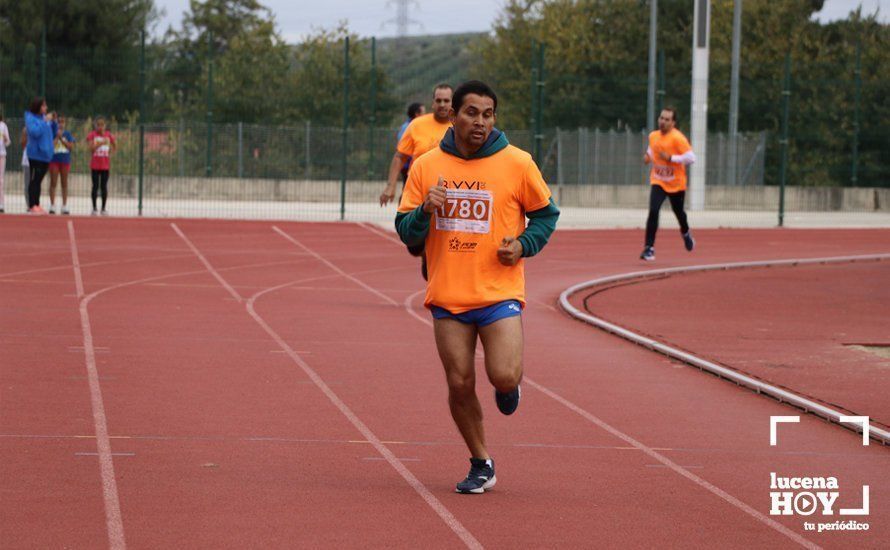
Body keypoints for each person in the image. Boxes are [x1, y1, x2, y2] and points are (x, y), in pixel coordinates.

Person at [395, 80, 560, 494]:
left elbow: (546, 215)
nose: (481, 123)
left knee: (502, 376)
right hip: (449, 296)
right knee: (459, 383)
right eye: (472, 113)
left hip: (498, 293)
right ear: (454, 116)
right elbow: (404, 230)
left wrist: (523, 244)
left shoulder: (517, 163)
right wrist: (424, 213)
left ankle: (510, 387)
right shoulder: (426, 165)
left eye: (489, 115)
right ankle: (481, 461)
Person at [380, 84, 453, 279]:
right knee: (412, 243)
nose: (442, 104)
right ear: (432, 102)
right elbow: (399, 157)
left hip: (448, 193)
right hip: (417, 190)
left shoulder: (458, 127)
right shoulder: (417, 125)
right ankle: (424, 253)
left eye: (447, 100)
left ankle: (440, 270)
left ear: (453, 103)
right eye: (439, 100)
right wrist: (390, 185)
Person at [641, 107, 696, 261]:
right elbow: (652, 150)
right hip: (658, 181)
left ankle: (686, 233)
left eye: (667, 119)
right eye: (661, 118)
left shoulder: (678, 138)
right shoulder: (653, 136)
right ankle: (649, 248)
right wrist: (647, 157)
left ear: (673, 123)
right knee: (653, 210)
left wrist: (671, 158)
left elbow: (691, 158)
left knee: (679, 213)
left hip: (676, 184)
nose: (662, 122)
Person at [24, 97, 57, 214]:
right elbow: (34, 132)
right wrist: (44, 122)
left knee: (39, 181)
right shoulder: (30, 118)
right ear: (38, 107)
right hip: (35, 154)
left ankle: (37, 204)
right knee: (34, 180)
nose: (46, 108)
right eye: (44, 106)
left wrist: (53, 122)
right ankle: (32, 204)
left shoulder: (45, 119)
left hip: (46, 155)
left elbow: (53, 134)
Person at [87, 116, 116, 216]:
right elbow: (91, 148)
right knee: (95, 186)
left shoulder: (109, 135)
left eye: (102, 125)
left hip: (105, 166)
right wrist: (101, 143)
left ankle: (103, 208)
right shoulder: (92, 135)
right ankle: (94, 208)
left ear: (105, 126)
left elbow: (114, 145)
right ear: (95, 126)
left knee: (104, 187)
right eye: (98, 125)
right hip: (95, 165)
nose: (100, 127)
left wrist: (110, 153)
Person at [48, 114, 76, 215]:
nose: (61, 124)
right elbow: (50, 146)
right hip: (54, 160)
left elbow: (70, 147)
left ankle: (64, 205)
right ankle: (52, 205)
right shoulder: (52, 133)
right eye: (59, 122)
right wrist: (57, 137)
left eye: (62, 122)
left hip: (65, 161)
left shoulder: (68, 134)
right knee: (53, 182)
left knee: (64, 183)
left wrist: (62, 139)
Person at [396, 102, 425, 186]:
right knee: (407, 188)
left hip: (411, 164)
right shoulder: (408, 127)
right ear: (417, 114)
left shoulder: (413, 126)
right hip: (407, 165)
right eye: (423, 113)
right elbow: (402, 148)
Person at [0, 114, 9, 213]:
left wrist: (6, 139)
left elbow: (7, 142)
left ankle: (1, 204)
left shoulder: (3, 126)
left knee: (0, 180)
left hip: (1, 155)